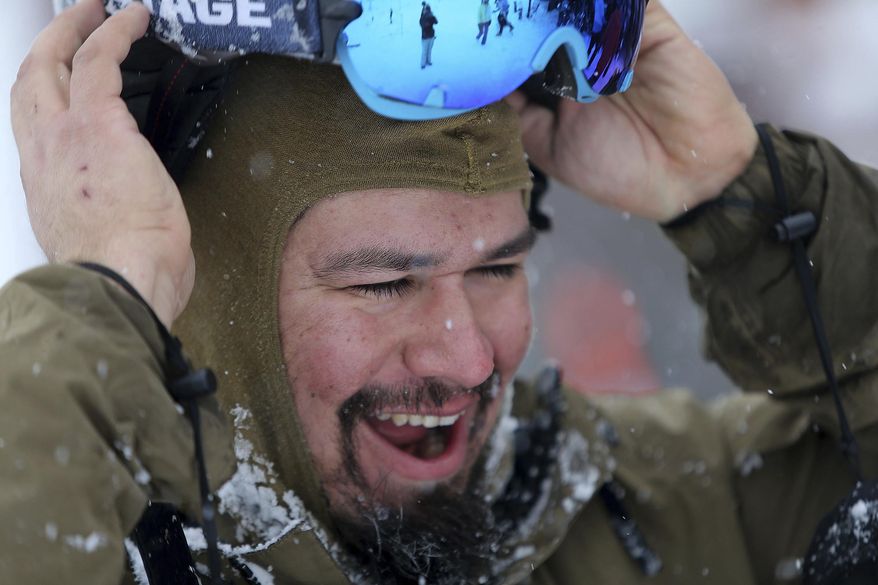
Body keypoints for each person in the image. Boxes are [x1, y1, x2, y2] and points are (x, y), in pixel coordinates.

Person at [4, 0, 878, 584]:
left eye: (498, 268)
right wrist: (103, 300)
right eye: (385, 282)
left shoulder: (650, 513)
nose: (467, 355)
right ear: (191, 273)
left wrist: (746, 198)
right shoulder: (98, 530)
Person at [419, 3, 437, 69]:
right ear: (424, 11)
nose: (427, 11)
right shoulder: (422, 18)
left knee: (429, 50)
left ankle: (429, 61)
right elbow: (423, 25)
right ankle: (423, 64)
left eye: (428, 10)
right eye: (426, 10)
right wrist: (428, 21)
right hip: (425, 37)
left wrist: (433, 17)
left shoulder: (431, 17)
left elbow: (436, 22)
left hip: (431, 36)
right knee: (424, 51)